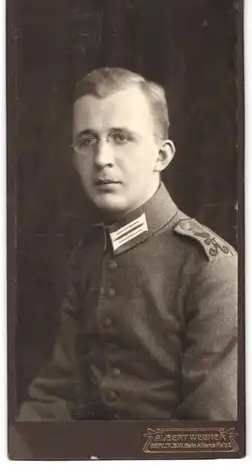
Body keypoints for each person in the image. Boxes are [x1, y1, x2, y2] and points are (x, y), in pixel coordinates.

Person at [18, 67, 237, 421]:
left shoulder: (211, 267)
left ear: (161, 156)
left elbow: (213, 431)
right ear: (74, 158)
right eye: (87, 140)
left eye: (121, 137)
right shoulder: (89, 255)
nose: (102, 158)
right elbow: (54, 395)